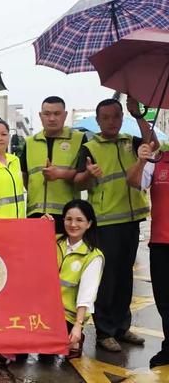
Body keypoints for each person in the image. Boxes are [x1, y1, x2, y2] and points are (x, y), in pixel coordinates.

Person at [74, 97, 158, 352]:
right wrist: (89, 174)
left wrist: (139, 115)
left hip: (131, 220)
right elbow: (78, 183)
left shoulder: (129, 142)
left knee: (125, 277)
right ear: (98, 121)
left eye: (116, 116)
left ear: (122, 117)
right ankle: (105, 331)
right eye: (106, 118)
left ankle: (122, 327)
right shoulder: (89, 147)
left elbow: (151, 144)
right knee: (107, 279)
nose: (111, 121)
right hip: (106, 222)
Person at [127, 142, 169, 368]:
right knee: (164, 301)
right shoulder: (158, 159)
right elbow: (134, 182)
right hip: (161, 242)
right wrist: (141, 160)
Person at [21, 96, 86, 233]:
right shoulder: (30, 142)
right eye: (47, 114)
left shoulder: (78, 139)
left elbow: (83, 175)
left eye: (57, 114)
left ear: (65, 115)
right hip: (35, 214)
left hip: (68, 215)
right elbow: (25, 177)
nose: (51, 118)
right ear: (40, 116)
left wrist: (61, 174)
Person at [55, 199, 104, 359]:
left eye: (79, 220)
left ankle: (76, 336)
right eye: (68, 219)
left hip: (67, 315)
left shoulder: (93, 256)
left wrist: (78, 325)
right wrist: (39, 227)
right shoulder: (52, 241)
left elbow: (86, 294)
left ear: (89, 224)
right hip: (44, 310)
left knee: (50, 351)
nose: (73, 224)